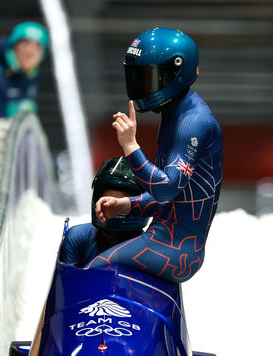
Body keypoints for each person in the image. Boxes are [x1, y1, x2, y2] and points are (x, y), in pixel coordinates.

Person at [86, 27, 223, 284]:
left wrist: (130, 146)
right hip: (166, 241)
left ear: (175, 72)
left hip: (177, 251)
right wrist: (125, 205)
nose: (141, 88)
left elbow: (167, 190)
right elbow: (177, 199)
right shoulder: (176, 112)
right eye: (137, 78)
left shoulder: (191, 122)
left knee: (94, 268)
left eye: (148, 79)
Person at [0, 21, 49, 181]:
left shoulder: (28, 82)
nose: (30, 51)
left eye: (38, 47)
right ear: (13, 47)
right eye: (25, 43)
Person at [61, 156, 149, 266]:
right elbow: (67, 280)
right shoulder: (78, 238)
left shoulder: (150, 251)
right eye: (105, 205)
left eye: (117, 208)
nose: (109, 215)